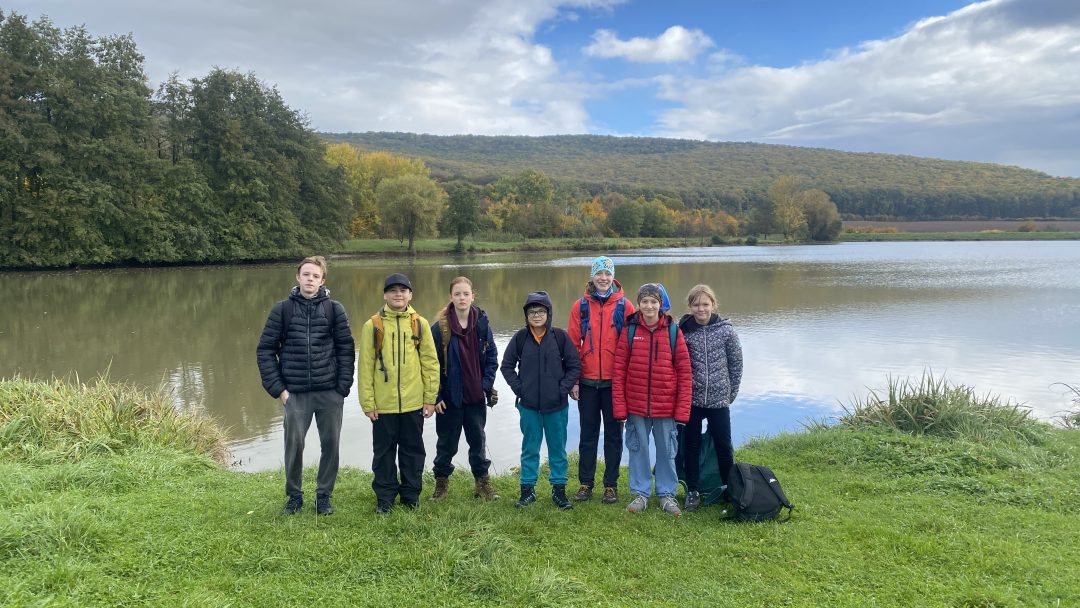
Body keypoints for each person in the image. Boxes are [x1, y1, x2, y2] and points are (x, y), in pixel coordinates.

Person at [256, 256, 355, 516]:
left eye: (316, 276)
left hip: (329, 393)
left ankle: (323, 496)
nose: (310, 279)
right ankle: (294, 496)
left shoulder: (335, 310)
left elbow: (346, 350)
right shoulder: (282, 310)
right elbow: (265, 350)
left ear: (323, 281)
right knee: (294, 447)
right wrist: (279, 390)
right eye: (306, 274)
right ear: (298, 277)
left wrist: (342, 388)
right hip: (295, 394)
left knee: (330, 445)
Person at [358, 273, 440, 514]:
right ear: (385, 295)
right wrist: (368, 403)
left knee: (413, 452)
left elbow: (430, 363)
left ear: (410, 295)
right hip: (383, 405)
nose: (398, 294)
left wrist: (430, 399)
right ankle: (385, 498)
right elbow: (365, 367)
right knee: (383, 454)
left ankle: (410, 496)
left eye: (403, 290)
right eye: (393, 290)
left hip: (414, 404)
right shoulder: (372, 325)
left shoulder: (420, 324)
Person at [612, 283, 691, 516]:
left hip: (666, 406)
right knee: (639, 450)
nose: (649, 306)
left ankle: (667, 494)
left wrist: (682, 410)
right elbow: (619, 371)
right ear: (638, 304)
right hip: (636, 405)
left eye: (653, 301)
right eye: (644, 301)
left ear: (660, 304)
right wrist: (620, 408)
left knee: (667, 451)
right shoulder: (629, 331)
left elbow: (685, 373)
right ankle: (640, 493)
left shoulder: (673, 331)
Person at [500, 291, 581, 511]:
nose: (536, 315)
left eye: (541, 311)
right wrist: (520, 389)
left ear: (549, 313)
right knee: (530, 448)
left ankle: (559, 491)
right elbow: (506, 366)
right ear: (526, 315)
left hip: (556, 406)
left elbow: (574, 365)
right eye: (532, 311)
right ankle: (527, 491)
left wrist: (562, 389)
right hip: (529, 407)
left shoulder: (560, 337)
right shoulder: (520, 338)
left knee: (558, 449)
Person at [567, 256, 635, 505]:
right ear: (592, 276)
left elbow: (631, 347)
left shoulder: (625, 306)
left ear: (613, 276)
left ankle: (610, 485)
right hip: (587, 383)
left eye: (607, 273)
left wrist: (628, 383)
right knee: (588, 435)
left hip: (615, 384)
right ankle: (585, 483)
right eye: (599, 273)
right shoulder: (580, 306)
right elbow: (573, 346)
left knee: (614, 436)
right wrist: (574, 381)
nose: (603, 278)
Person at [430, 276, 500, 501]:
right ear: (450, 297)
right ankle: (441, 485)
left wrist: (486, 386)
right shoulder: (439, 328)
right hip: (449, 398)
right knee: (446, 444)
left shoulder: (482, 324)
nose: (462, 298)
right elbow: (430, 365)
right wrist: (436, 395)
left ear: (473, 296)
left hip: (476, 397)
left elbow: (492, 357)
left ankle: (482, 485)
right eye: (457, 294)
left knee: (478, 442)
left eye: (466, 294)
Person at [679, 284, 743, 511]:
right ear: (690, 306)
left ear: (713, 305)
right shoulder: (683, 331)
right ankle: (693, 491)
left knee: (724, 445)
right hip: (693, 400)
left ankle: (729, 489)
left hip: (719, 400)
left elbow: (736, 364)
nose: (701, 309)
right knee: (691, 445)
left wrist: (730, 394)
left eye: (705, 304)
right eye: (696, 305)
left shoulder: (726, 331)